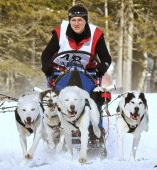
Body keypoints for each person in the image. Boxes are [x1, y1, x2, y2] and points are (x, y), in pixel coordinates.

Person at [40, 4, 112, 150]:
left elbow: (105, 57)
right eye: (73, 20)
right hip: (61, 73)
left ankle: (95, 132)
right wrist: (46, 66)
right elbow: (46, 53)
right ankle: (55, 129)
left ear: (86, 21)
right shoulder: (60, 33)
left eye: (80, 20)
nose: (77, 23)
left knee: (95, 98)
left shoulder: (95, 34)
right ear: (69, 21)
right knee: (54, 99)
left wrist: (102, 66)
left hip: (88, 74)